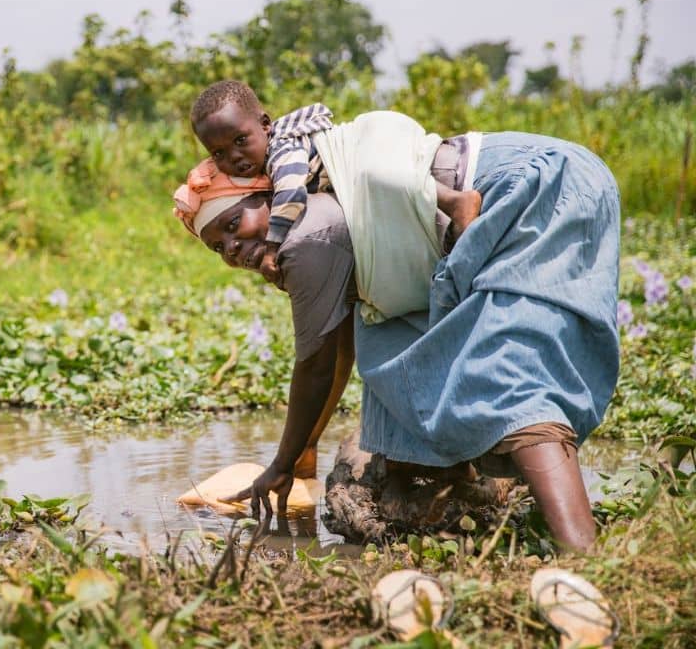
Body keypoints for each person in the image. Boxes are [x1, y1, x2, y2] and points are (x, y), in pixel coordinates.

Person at [173, 98, 620, 554]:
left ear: (271, 196)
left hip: (529, 185)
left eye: (234, 223)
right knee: (387, 345)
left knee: (508, 379)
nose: (231, 247)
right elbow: (340, 343)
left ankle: (582, 555)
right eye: (218, 247)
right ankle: (447, 504)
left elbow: (316, 365)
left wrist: (282, 464)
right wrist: (305, 451)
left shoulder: (305, 234)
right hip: (536, 180)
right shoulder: (343, 216)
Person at [186, 80, 483, 276]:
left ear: (265, 125)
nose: (234, 157)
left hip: (370, 144)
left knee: (376, 176)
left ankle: (455, 202)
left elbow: (291, 194)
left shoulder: (281, 151)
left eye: (240, 140)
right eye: (219, 153)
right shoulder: (261, 165)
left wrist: (273, 248)